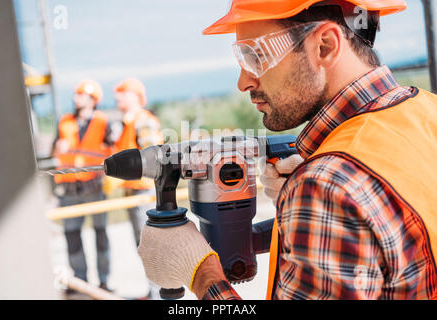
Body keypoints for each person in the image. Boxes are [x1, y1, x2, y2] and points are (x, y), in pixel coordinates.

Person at [137, 0, 437, 300]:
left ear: (325, 46)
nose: (244, 81)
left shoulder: (327, 185)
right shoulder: (428, 110)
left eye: (256, 56)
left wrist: (201, 275)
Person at [52, 79, 114, 294]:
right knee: (72, 236)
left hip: (93, 186)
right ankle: (80, 282)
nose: (76, 98)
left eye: (81, 94)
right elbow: (55, 149)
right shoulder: (64, 121)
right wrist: (58, 148)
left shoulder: (102, 122)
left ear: (92, 100)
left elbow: (112, 150)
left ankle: (104, 281)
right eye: (76, 94)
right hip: (68, 189)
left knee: (100, 235)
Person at [108, 78, 164, 248]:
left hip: (145, 192)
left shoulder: (143, 120)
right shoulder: (127, 123)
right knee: (142, 244)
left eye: (123, 93)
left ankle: (158, 276)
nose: (117, 97)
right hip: (133, 190)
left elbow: (153, 158)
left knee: (149, 245)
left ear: (136, 96)